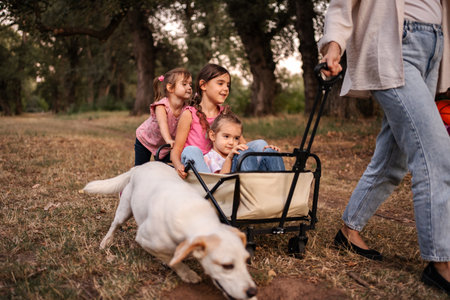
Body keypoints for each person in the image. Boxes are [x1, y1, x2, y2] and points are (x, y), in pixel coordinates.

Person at [318, 0, 450, 294]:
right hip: (393, 44)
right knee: (436, 154)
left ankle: (348, 231)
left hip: (434, 46)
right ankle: (441, 262)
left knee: (394, 158)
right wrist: (334, 45)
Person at [171, 63, 271, 178]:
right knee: (191, 150)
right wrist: (178, 165)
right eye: (220, 83)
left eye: (227, 85)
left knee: (260, 144)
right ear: (203, 85)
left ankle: (262, 184)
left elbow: (242, 145)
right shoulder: (189, 114)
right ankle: (211, 185)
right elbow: (176, 150)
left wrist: (265, 151)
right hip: (200, 168)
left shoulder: (225, 114)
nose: (226, 89)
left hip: (224, 166)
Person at [134, 68, 192, 165]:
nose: (189, 87)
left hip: (165, 146)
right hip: (145, 140)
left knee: (165, 170)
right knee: (139, 168)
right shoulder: (162, 106)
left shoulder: (186, 109)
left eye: (190, 84)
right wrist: (168, 139)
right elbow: (163, 124)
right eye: (184, 84)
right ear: (170, 88)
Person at [203, 111, 285, 174]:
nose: (231, 142)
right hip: (235, 189)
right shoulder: (210, 158)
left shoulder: (236, 152)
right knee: (244, 154)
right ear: (212, 136)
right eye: (226, 136)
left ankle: (282, 192)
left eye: (236, 138)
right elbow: (218, 184)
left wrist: (270, 153)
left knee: (270, 152)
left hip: (258, 182)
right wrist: (229, 159)